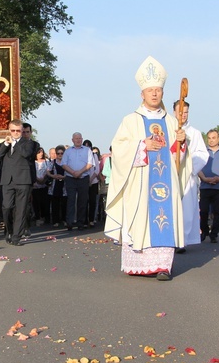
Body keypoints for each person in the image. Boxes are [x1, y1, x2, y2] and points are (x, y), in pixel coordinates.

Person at [104, 56, 185, 281]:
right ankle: (137, 264)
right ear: (142, 94)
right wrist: (142, 145)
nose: (154, 94)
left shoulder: (171, 121)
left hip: (166, 185)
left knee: (164, 218)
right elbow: (118, 149)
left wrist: (181, 141)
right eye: (150, 90)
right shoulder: (130, 120)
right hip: (140, 183)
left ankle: (163, 266)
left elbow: (179, 158)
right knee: (141, 220)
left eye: (158, 90)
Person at [172, 101, 209, 252]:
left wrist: (186, 162)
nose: (183, 115)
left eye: (186, 112)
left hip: (188, 177)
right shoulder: (168, 129)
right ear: (174, 112)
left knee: (186, 210)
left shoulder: (194, 133)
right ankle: (170, 238)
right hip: (171, 175)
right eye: (180, 112)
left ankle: (182, 241)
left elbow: (202, 155)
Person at [0, 119, 36, 246]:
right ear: (9, 130)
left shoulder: (28, 143)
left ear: (22, 131)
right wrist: (7, 144)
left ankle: (16, 237)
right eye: (13, 130)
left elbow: (26, 154)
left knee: (21, 209)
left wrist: (15, 143)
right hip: (7, 180)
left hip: (23, 180)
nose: (15, 133)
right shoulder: (5, 143)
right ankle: (9, 230)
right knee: (6, 207)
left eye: (18, 131)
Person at [198, 129, 219, 243]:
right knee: (203, 211)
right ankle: (204, 231)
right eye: (209, 138)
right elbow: (197, 167)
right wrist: (204, 179)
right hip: (205, 186)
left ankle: (214, 234)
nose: (211, 140)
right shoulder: (203, 152)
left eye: (214, 138)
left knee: (217, 212)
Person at [61, 132, 93, 230]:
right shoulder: (68, 151)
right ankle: (69, 222)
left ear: (82, 139)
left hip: (83, 177)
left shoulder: (87, 150)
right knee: (71, 200)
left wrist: (79, 172)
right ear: (72, 140)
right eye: (76, 138)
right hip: (70, 178)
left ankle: (81, 223)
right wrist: (73, 172)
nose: (78, 140)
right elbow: (63, 164)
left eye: (80, 138)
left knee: (82, 201)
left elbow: (89, 164)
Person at [47, 145, 68, 227]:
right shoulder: (52, 162)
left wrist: (64, 177)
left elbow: (70, 172)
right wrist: (53, 176)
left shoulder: (67, 162)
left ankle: (64, 220)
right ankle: (55, 221)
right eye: (58, 153)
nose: (60, 155)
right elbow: (48, 171)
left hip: (64, 185)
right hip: (54, 185)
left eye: (61, 153)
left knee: (64, 204)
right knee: (55, 204)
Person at [32, 147, 50, 225]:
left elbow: (49, 171)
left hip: (44, 184)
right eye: (39, 152)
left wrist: (44, 179)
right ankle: (37, 217)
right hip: (35, 185)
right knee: (35, 202)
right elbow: (31, 172)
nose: (41, 154)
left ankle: (44, 216)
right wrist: (37, 179)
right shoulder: (33, 162)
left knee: (44, 202)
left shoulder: (46, 161)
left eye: (42, 152)